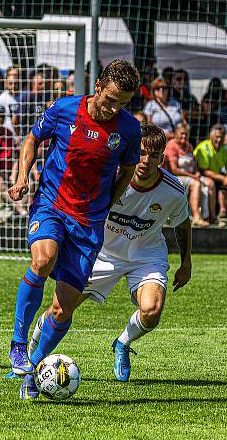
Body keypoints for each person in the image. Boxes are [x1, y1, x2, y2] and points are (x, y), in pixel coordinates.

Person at [6, 59, 141, 399]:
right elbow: (32, 139)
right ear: (98, 87)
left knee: (63, 308)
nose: (114, 108)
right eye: (111, 99)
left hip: (89, 221)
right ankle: (18, 344)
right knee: (42, 259)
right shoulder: (65, 108)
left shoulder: (129, 129)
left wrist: (107, 203)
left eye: (122, 103)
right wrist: (23, 176)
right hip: (52, 203)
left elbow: (126, 171)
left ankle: (32, 374)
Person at [26, 123, 192, 386]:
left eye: (153, 155)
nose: (145, 161)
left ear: (162, 158)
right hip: (102, 252)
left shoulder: (174, 191)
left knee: (152, 310)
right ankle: (29, 356)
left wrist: (186, 263)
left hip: (146, 255)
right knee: (60, 309)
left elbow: (183, 223)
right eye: (140, 153)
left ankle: (122, 343)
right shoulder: (110, 178)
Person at [194, 124, 227, 226]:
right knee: (211, 183)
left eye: (221, 137)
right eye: (216, 137)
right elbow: (204, 170)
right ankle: (212, 218)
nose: (219, 139)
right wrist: (223, 179)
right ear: (210, 136)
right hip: (203, 176)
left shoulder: (226, 149)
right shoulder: (203, 147)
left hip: (218, 175)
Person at [163, 123, 210, 226]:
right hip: (175, 177)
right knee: (196, 183)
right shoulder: (171, 146)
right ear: (176, 135)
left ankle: (209, 216)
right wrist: (193, 176)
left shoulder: (189, 146)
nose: (184, 136)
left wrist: (196, 172)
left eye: (186, 134)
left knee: (209, 183)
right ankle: (196, 216)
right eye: (182, 134)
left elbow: (194, 163)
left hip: (190, 175)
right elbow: (174, 170)